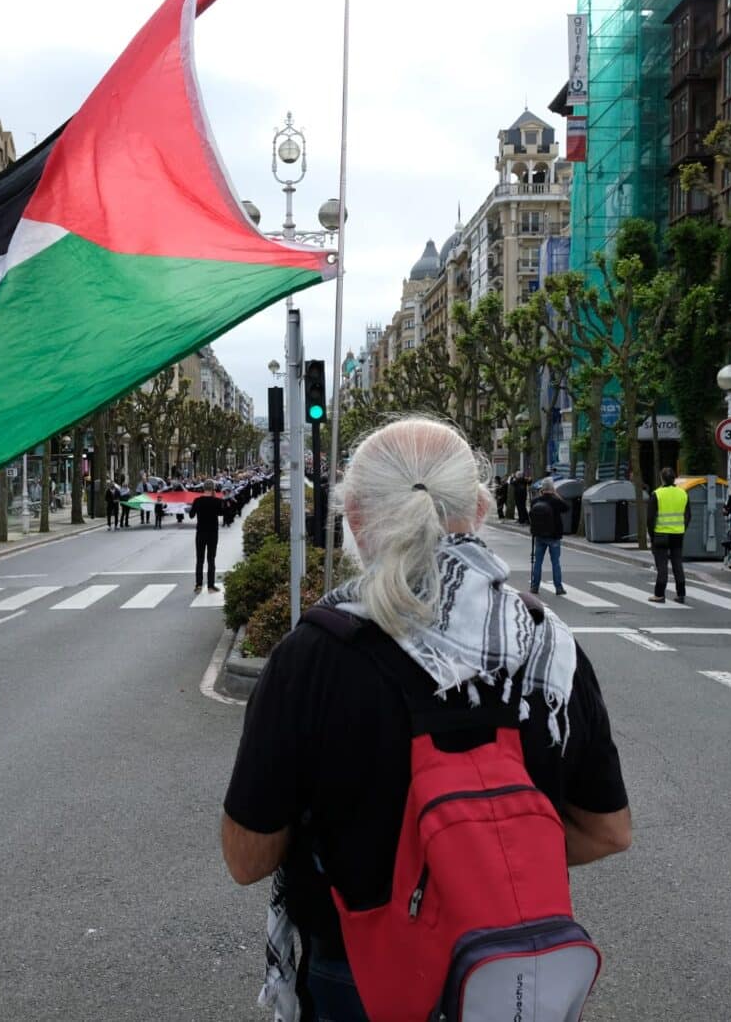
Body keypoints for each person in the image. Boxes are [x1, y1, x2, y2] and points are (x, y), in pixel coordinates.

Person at [221, 417, 629, 1022]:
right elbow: (607, 831)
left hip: (359, 972)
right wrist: (476, 865)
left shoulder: (313, 656)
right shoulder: (547, 643)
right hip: (507, 973)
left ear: (354, 519)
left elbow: (247, 857)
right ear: (483, 508)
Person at [647, 467, 689, 603]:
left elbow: (650, 518)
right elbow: (688, 515)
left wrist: (652, 536)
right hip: (678, 534)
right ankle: (681, 593)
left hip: (660, 534)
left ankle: (659, 594)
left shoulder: (657, 494)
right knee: (677, 563)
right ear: (674, 478)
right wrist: (682, 528)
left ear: (662, 479)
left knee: (662, 566)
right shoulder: (683, 493)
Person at [527, 479, 569, 596]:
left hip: (539, 535)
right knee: (555, 562)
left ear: (542, 489)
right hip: (554, 536)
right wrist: (556, 494)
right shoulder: (556, 501)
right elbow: (566, 508)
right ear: (552, 489)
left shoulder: (535, 501)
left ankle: (535, 587)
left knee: (538, 562)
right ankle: (558, 588)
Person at [191, 480, 224, 593]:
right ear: (213, 488)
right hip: (213, 533)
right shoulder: (217, 501)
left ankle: (198, 585)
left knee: (199, 560)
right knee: (211, 559)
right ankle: (210, 586)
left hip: (200, 532)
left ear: (203, 488)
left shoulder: (197, 501)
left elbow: (191, 515)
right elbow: (221, 513)